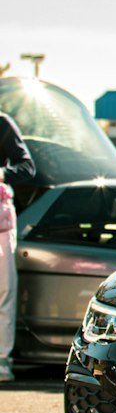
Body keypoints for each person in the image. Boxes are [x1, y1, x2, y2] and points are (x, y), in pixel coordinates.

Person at [0, 112, 35, 383]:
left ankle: (1, 361)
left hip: (1, 222)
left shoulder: (2, 123)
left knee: (4, 290)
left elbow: (27, 167)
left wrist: (1, 173)